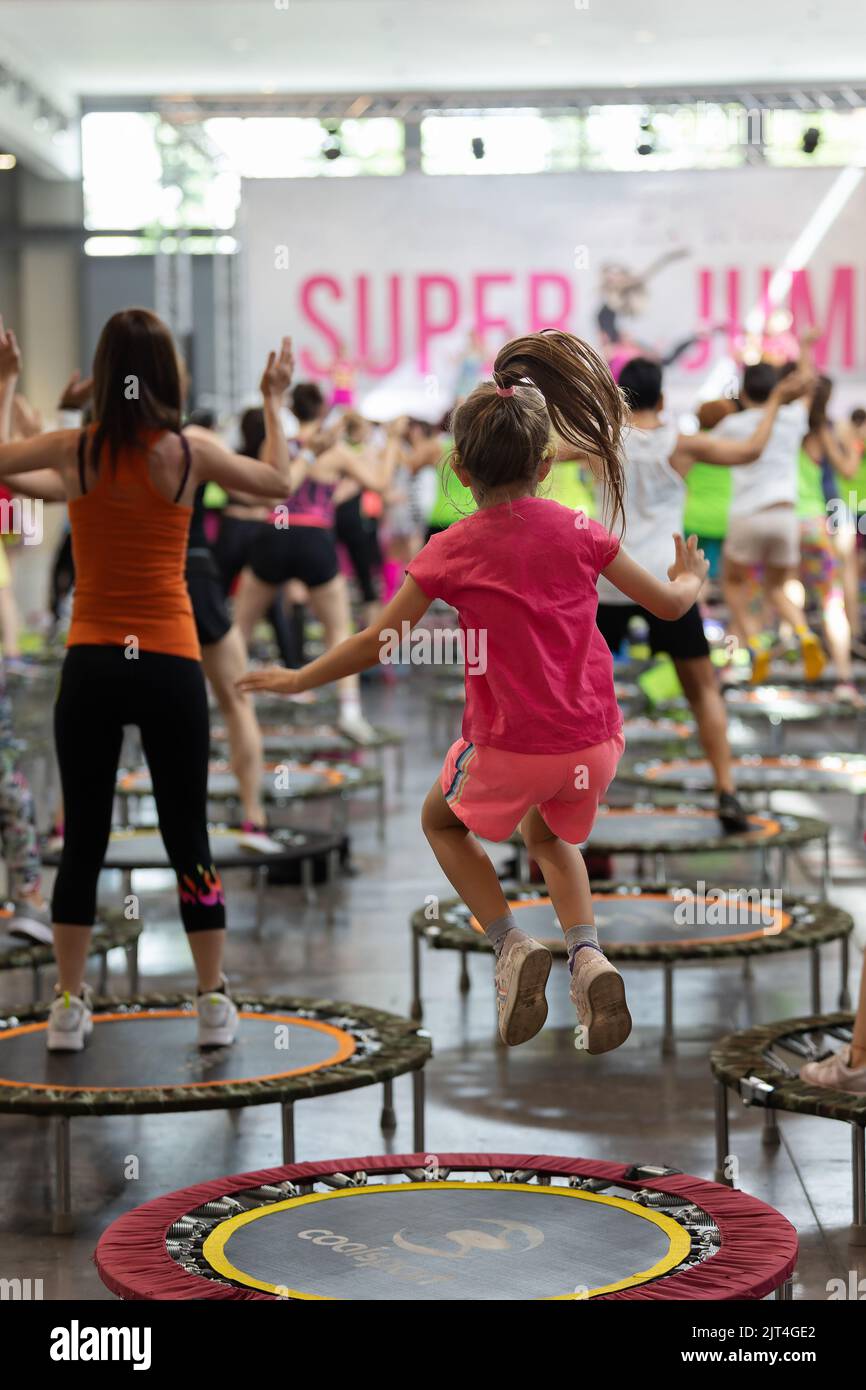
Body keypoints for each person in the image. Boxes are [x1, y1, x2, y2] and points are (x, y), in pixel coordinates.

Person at [239, 330, 710, 1054]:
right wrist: (690, 580)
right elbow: (670, 607)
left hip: (509, 746)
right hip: (594, 743)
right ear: (548, 463)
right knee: (549, 836)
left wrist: (298, 677)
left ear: (459, 468)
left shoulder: (449, 548)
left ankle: (512, 944)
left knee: (442, 822)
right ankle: (587, 953)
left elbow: (375, 642)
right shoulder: (583, 530)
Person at [0, 309, 296, 1052]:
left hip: (93, 661)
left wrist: (5, 382)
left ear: (104, 375)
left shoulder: (78, 450)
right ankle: (210, 999)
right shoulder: (189, 452)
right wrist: (273, 400)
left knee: (85, 838)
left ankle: (68, 1006)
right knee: (186, 833)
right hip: (168, 660)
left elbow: (1, 460)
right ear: (167, 376)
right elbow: (280, 481)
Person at [595, 357, 805, 829]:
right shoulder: (680, 444)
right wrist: (774, 401)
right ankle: (727, 792)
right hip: (669, 582)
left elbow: (537, 450)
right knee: (702, 691)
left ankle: (563, 804)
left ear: (620, 400)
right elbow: (751, 449)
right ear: (664, 400)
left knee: (580, 694)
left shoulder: (599, 444)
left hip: (609, 580)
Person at [234, 381, 384, 743]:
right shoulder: (334, 452)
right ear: (320, 411)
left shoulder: (279, 447)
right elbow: (378, 482)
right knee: (338, 629)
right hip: (315, 538)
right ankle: (349, 712)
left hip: (274, 533)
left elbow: (261, 488)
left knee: (240, 627)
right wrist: (383, 445)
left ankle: (233, 700)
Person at [716, 342, 822, 684]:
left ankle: (756, 644)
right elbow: (808, 382)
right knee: (777, 587)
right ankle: (804, 633)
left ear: (743, 393)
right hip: (785, 517)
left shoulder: (733, 425)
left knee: (733, 584)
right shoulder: (793, 418)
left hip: (747, 515)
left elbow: (702, 443)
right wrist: (807, 344)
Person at [796, 375, 860, 698]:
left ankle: (796, 639)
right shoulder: (825, 429)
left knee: (786, 586)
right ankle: (847, 657)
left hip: (790, 518)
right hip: (826, 512)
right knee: (837, 585)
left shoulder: (787, 427)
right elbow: (847, 468)